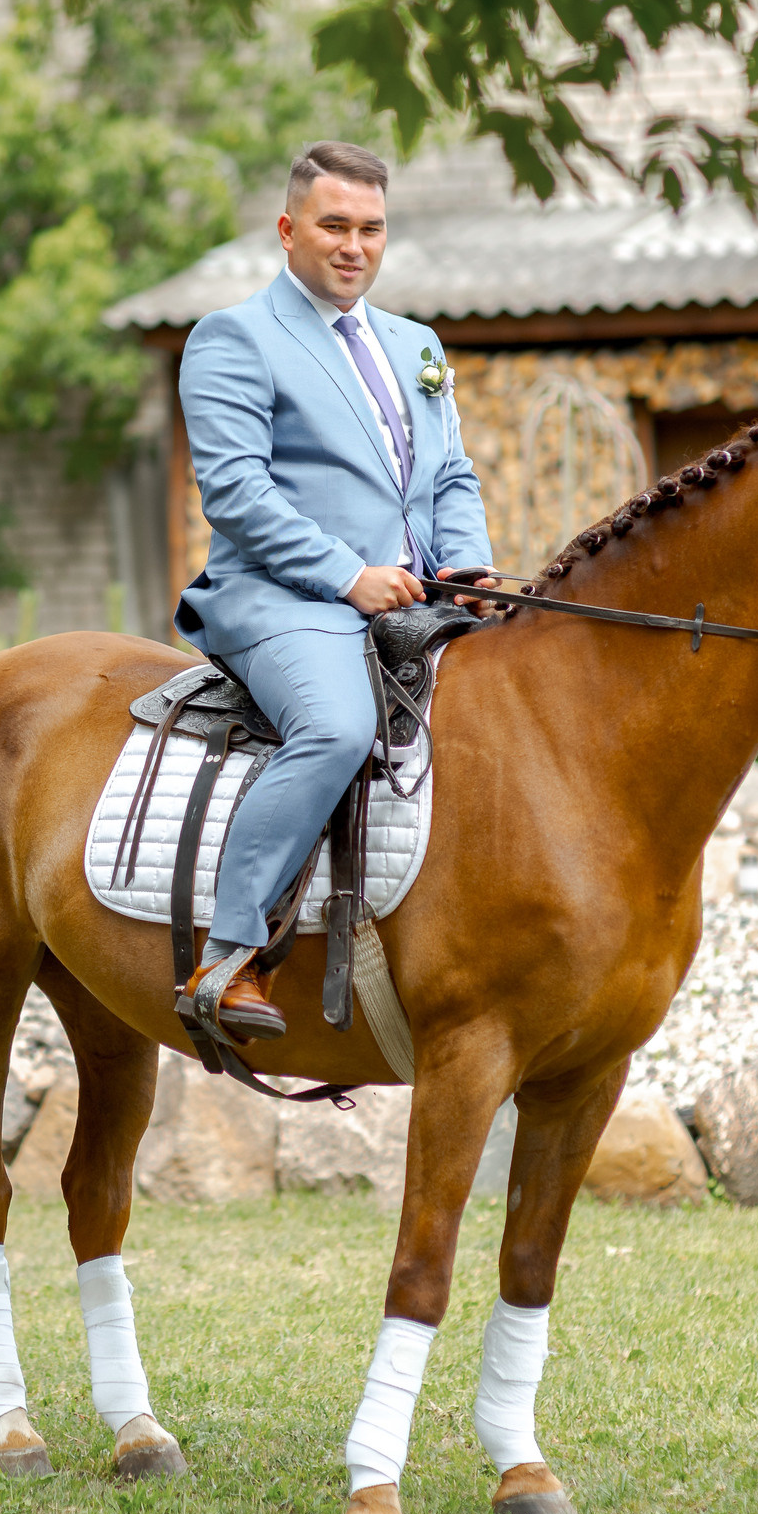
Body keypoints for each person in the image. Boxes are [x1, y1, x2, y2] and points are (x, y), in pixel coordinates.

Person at [173, 140, 490, 1040]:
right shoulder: (232, 337)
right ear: (287, 230)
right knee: (339, 726)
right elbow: (236, 493)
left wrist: (466, 566)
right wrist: (347, 576)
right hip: (282, 599)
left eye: (371, 229)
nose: (354, 246)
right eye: (334, 225)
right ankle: (229, 955)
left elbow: (451, 475)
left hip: (417, 595)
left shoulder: (416, 345)